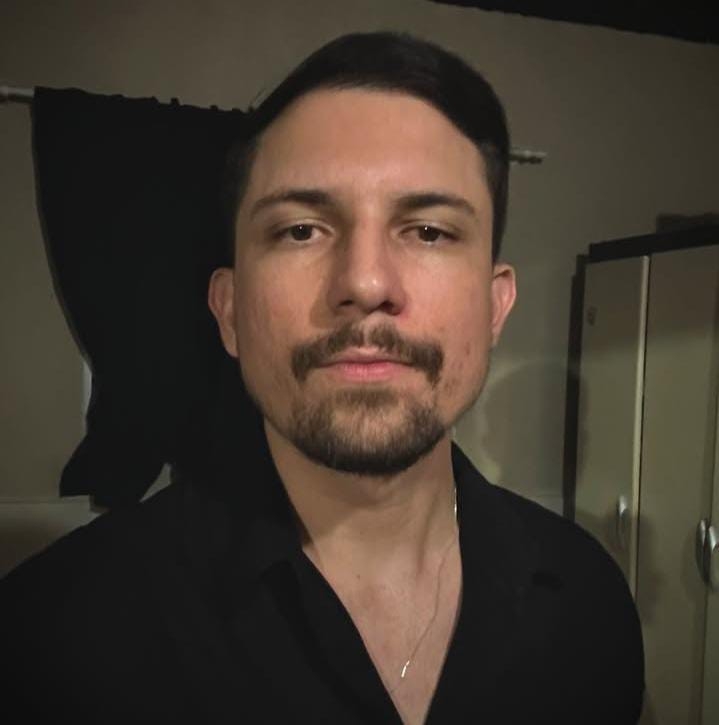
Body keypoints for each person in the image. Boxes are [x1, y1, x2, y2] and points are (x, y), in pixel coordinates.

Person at [1, 32, 643, 724]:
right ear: (229, 312)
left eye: (428, 231)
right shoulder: (52, 641)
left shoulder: (588, 604)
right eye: (301, 230)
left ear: (495, 306)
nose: (365, 283)